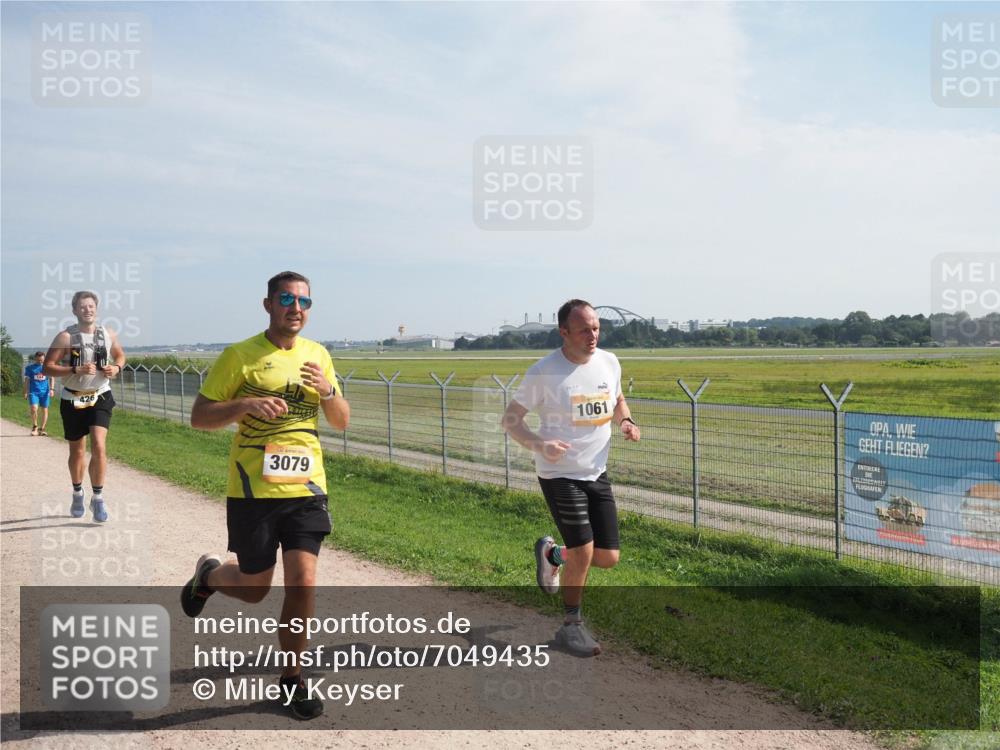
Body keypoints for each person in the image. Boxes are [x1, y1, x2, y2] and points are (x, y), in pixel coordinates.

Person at [181, 271, 349, 720]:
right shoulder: (240, 357)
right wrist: (245, 405)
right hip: (253, 490)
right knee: (256, 589)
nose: (297, 307)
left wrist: (329, 391)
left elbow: (342, 420)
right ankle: (211, 577)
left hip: (307, 489)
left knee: (304, 582)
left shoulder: (318, 355)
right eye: (287, 299)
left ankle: (292, 678)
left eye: (305, 301)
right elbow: (199, 416)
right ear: (268, 304)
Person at [502, 299, 640, 657]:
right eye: (583, 329)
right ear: (564, 332)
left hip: (596, 471)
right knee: (584, 550)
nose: (592, 335)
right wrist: (539, 444)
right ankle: (571, 626)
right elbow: (511, 420)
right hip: (559, 473)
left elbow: (618, 398)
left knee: (608, 557)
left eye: (595, 327)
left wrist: (625, 420)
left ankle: (553, 555)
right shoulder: (544, 371)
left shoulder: (609, 362)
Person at [43, 291, 126, 523]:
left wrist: (116, 368)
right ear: (74, 310)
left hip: (100, 395)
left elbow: (120, 355)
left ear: (96, 309)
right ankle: (78, 492)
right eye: (82, 306)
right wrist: (73, 370)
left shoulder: (107, 333)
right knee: (77, 451)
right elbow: (47, 368)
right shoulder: (65, 337)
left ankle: (98, 498)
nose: (87, 310)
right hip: (73, 399)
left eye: (91, 306)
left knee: (99, 445)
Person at [24, 351, 54, 436]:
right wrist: (25, 391)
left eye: (41, 360)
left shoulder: (47, 367)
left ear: (44, 359)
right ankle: (35, 427)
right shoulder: (29, 368)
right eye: (38, 360)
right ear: (35, 359)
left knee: (45, 409)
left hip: (45, 393)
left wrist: (52, 389)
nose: (40, 362)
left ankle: (42, 429)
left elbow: (52, 378)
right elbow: (26, 381)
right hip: (33, 392)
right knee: (34, 408)